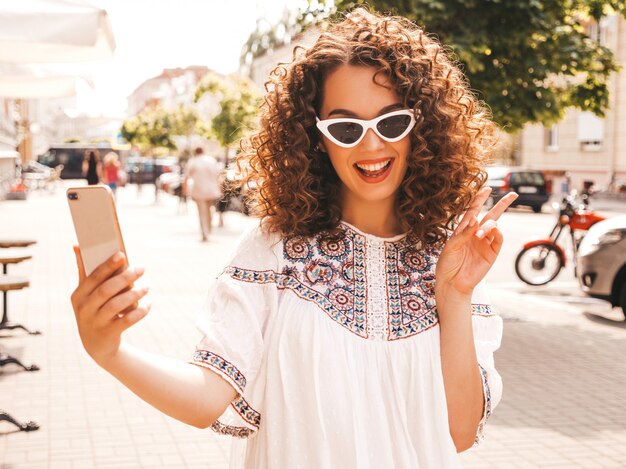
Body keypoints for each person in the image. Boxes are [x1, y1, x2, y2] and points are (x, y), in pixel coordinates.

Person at [70, 9, 518, 469]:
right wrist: (111, 352)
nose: (370, 146)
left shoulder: (451, 256)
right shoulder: (274, 249)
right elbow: (206, 396)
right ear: (317, 138)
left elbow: (459, 433)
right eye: (346, 128)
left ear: (419, 127)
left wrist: (454, 296)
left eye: (390, 123)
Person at [183, 147, 222, 241]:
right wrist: (220, 189)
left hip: (198, 191)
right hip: (212, 191)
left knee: (202, 212)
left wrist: (184, 190)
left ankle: (204, 232)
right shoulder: (211, 161)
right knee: (210, 211)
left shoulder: (193, 161)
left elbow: (186, 177)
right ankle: (208, 229)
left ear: (195, 152)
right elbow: (218, 176)